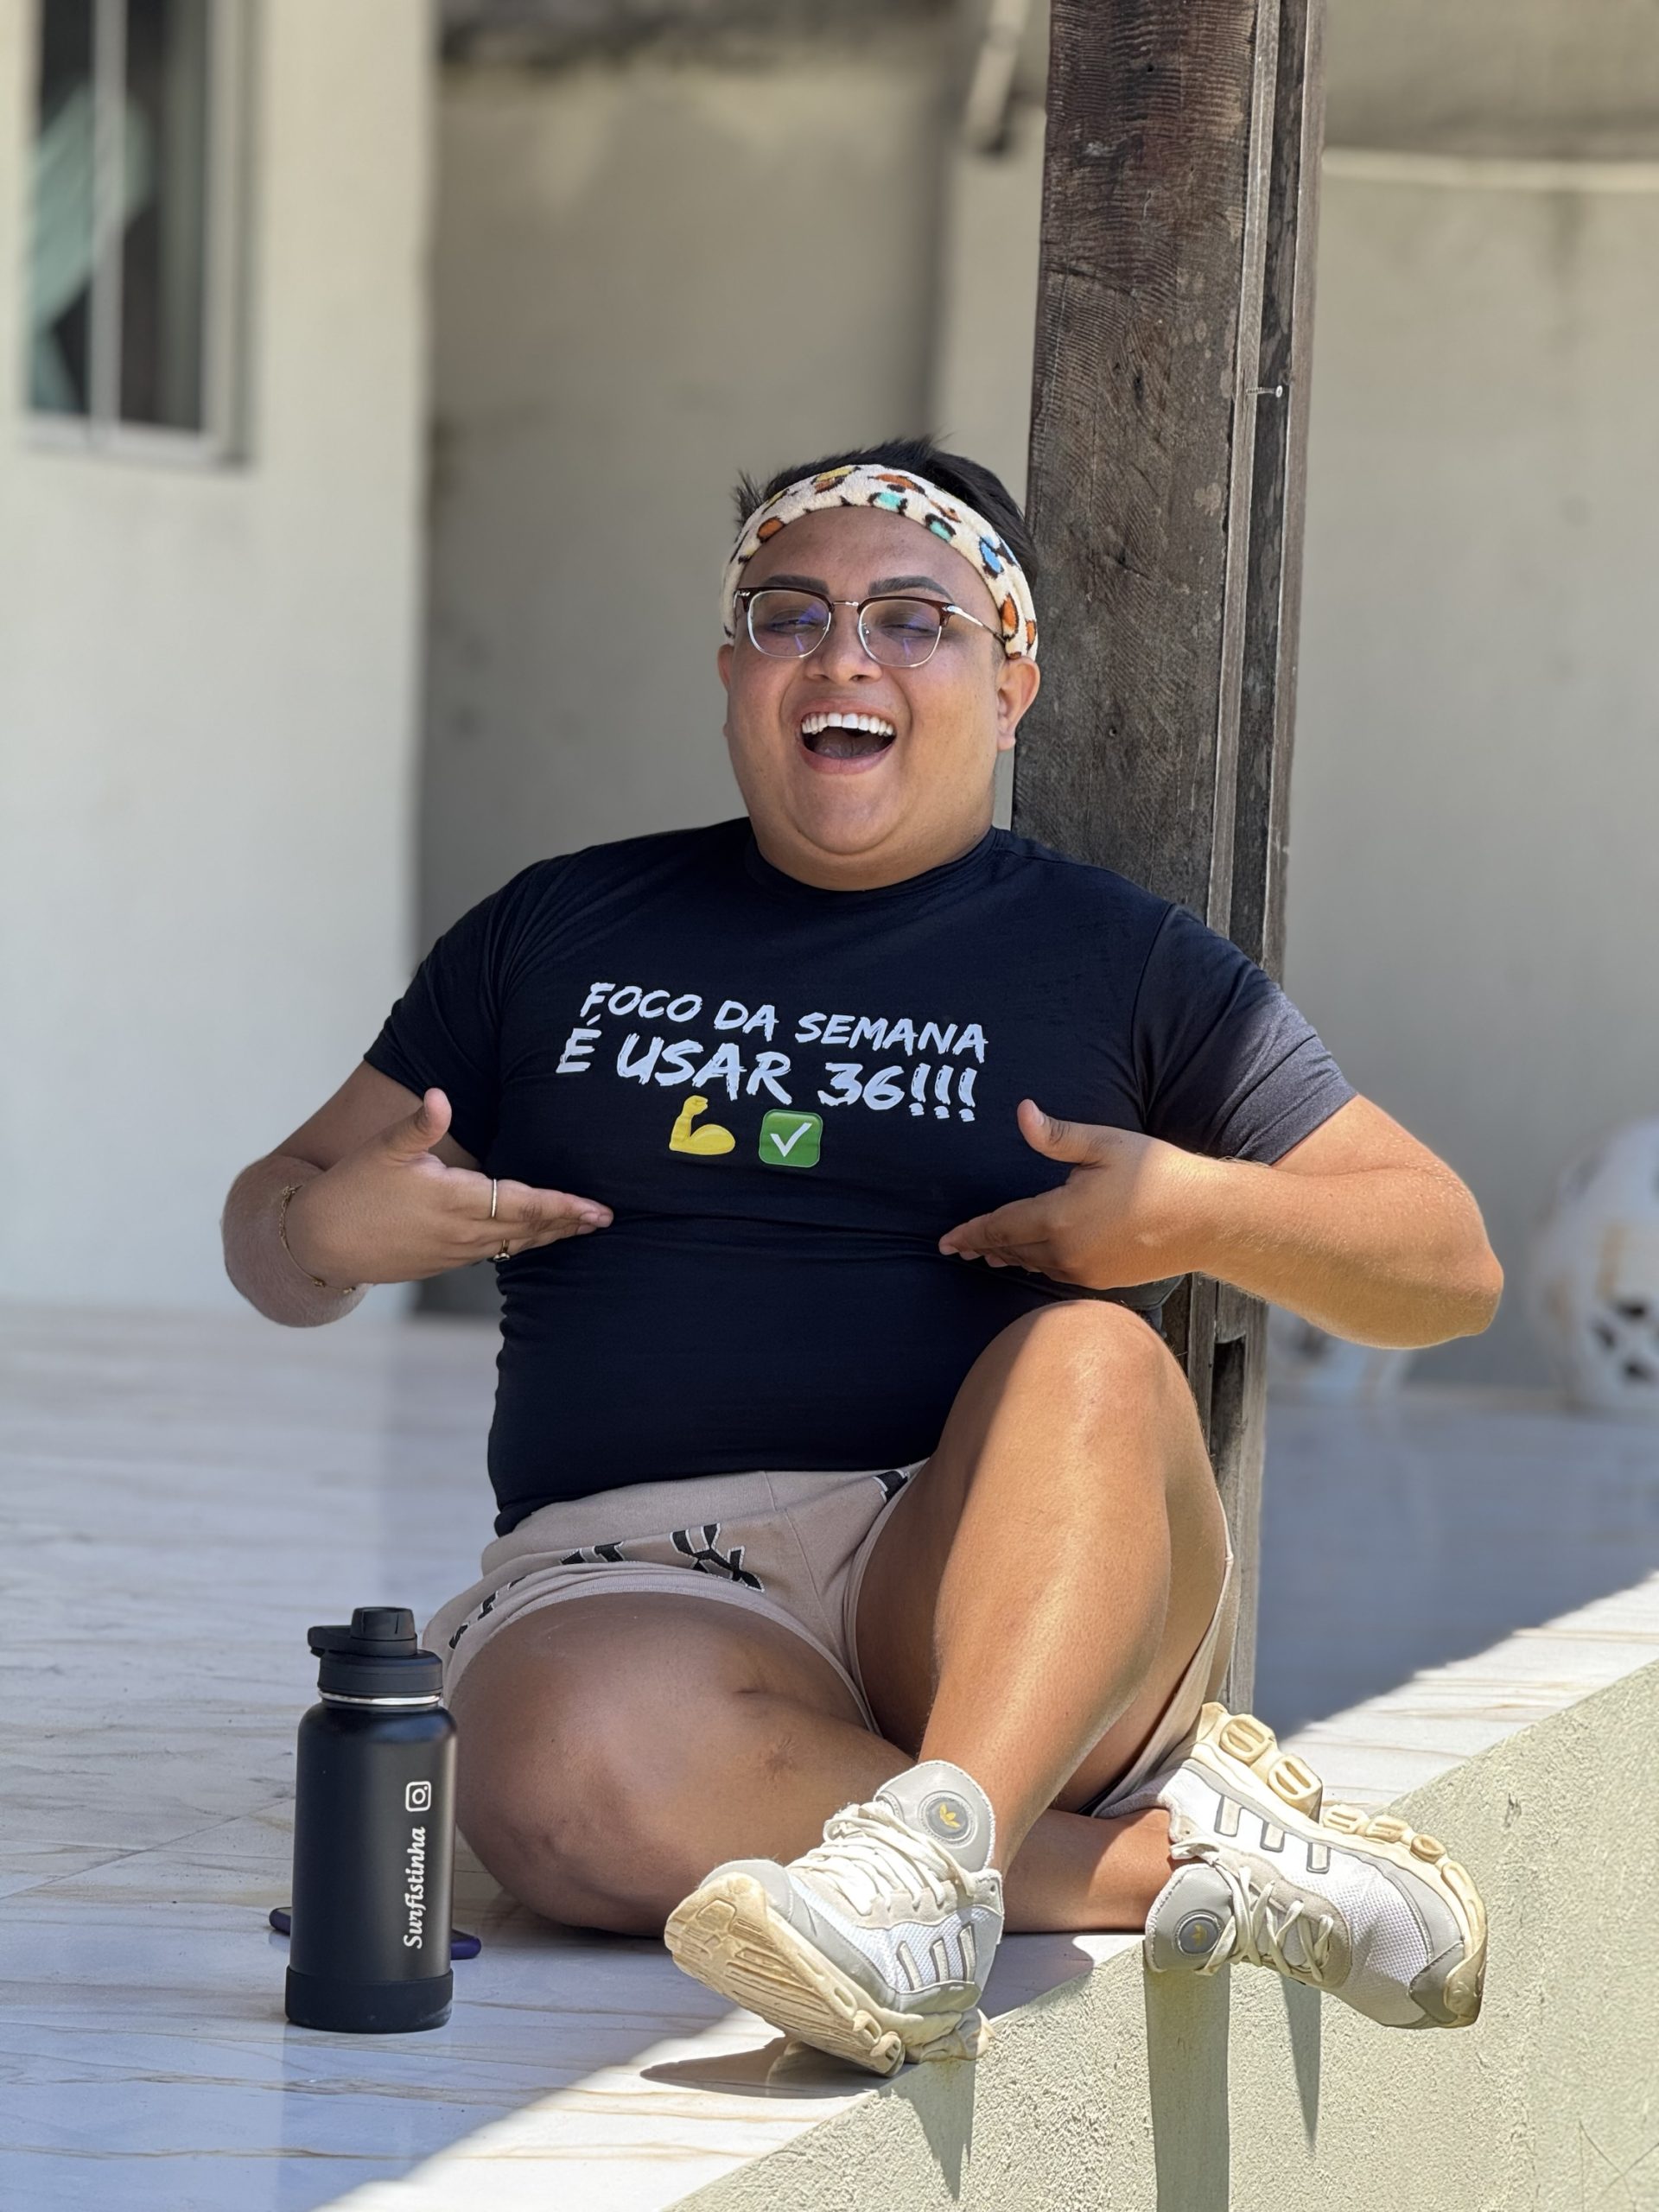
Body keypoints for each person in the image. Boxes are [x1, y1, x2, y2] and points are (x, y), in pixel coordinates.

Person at [223, 439, 1501, 2077]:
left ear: (1010, 685)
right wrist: (332, 1231)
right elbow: (270, 1233)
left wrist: (1193, 1213)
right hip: (637, 1577)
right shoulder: (555, 931)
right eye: (792, 615)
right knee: (551, 1778)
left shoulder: (1122, 961)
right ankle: (1162, 1864)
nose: (845, 658)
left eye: (914, 620)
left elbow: (1446, 1262)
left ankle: (940, 1846)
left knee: (1096, 1354)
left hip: (984, 1565)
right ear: (733, 671)